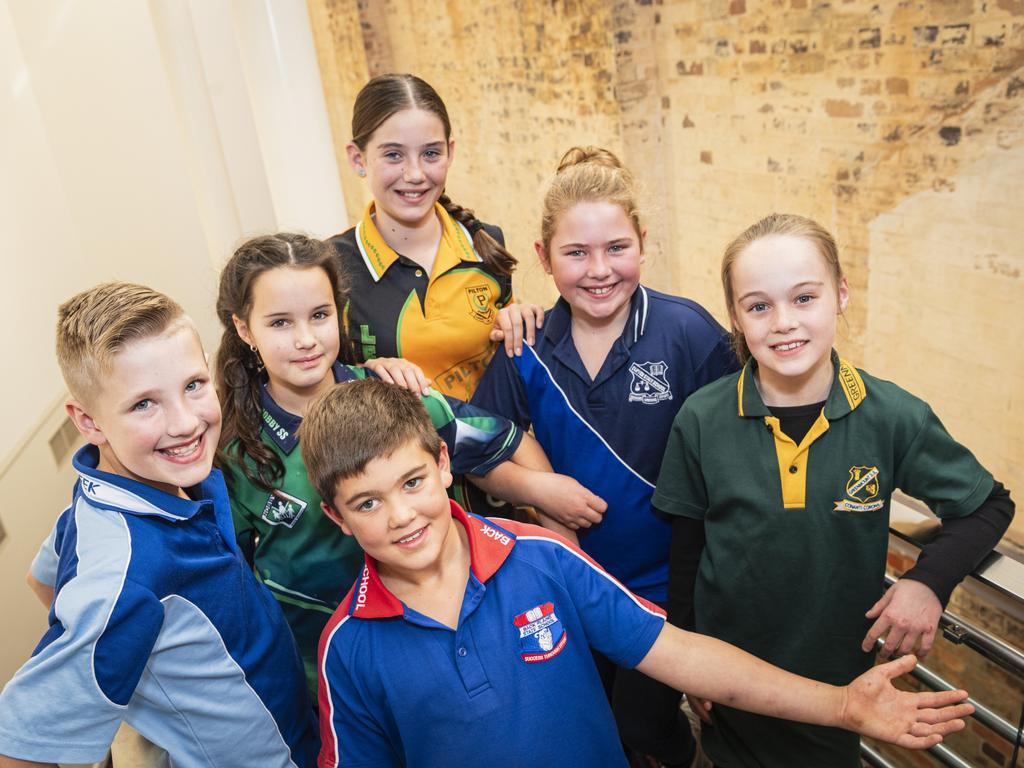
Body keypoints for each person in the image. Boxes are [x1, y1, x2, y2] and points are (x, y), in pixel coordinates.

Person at [301, 378, 973, 768]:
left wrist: (843, 704)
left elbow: (684, 657)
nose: (400, 515)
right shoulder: (348, 649)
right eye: (367, 502)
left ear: (445, 465)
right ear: (337, 518)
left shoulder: (541, 558)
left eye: (413, 481)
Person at [653, 213, 1015, 767]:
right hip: (727, 691)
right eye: (759, 306)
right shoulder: (701, 418)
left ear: (840, 294)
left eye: (804, 298)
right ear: (735, 316)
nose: (783, 323)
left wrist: (927, 582)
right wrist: (688, 660)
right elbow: (687, 550)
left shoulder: (893, 416)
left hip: (841, 695)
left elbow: (989, 504)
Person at [215, 233, 601, 696]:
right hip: (326, 673)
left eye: (319, 316)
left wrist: (546, 498)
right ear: (243, 329)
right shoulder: (234, 448)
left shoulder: (398, 395)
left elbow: (504, 442)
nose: (305, 340)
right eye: (279, 323)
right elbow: (234, 576)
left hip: (450, 644)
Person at [471, 146, 738, 765]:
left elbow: (737, 459)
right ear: (543, 257)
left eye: (617, 247)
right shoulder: (526, 344)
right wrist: (541, 493)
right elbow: (480, 451)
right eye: (576, 253)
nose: (599, 270)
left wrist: (715, 623)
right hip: (569, 584)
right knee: (593, 729)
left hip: (667, 589)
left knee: (646, 730)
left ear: (643, 242)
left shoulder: (688, 332)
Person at [0, 283, 318, 768]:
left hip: (297, 723)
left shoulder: (136, 488)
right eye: (143, 404)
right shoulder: (122, 578)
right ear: (88, 423)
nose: (186, 422)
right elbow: (20, 747)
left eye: (193, 385)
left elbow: (41, 578)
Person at [327, 73, 542, 401]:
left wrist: (519, 321)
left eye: (430, 154)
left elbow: (513, 368)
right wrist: (361, 376)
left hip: (499, 445)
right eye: (393, 155)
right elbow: (312, 380)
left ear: (450, 152)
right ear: (358, 159)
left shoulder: (485, 242)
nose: (415, 174)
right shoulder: (333, 266)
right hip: (397, 449)